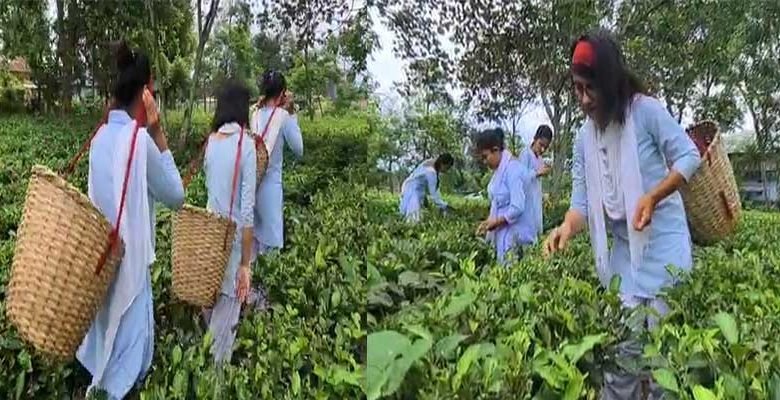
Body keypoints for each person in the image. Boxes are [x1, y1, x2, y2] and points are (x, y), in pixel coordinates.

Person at [543, 29, 701, 399]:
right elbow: (581, 203)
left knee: (665, 364)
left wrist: (653, 197)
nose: (582, 100)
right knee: (621, 360)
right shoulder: (585, 136)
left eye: (589, 89)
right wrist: (566, 227)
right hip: (622, 263)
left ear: (610, 83)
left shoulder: (645, 112)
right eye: (577, 89)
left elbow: (689, 156)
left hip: (663, 254)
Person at [77, 41, 184, 399]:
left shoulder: (101, 137)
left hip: (102, 263)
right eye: (152, 89)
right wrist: (157, 132)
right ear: (145, 93)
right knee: (128, 362)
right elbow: (176, 195)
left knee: (108, 338)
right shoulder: (140, 142)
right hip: (132, 269)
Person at [201, 80, 257, 365]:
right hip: (232, 243)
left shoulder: (211, 141)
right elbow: (247, 213)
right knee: (223, 333)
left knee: (211, 308)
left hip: (207, 237)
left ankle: (202, 369)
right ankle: (213, 382)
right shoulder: (246, 146)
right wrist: (245, 265)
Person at [251, 70, 303, 256]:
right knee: (271, 250)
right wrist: (292, 112)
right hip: (271, 190)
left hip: (252, 187)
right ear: (282, 93)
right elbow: (299, 149)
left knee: (253, 248)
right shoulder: (283, 116)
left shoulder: (255, 114)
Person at [474, 128, 533, 265]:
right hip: (504, 234)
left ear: (496, 150)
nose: (484, 162)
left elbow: (517, 207)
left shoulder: (513, 170)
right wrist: (488, 222)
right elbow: (497, 202)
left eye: (485, 156)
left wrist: (496, 222)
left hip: (516, 235)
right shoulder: (499, 172)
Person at [518, 125, 553, 239]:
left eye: (546, 147)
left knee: (535, 234)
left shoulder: (540, 159)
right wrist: (537, 173)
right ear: (535, 139)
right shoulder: (525, 154)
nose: (542, 149)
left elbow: (537, 183)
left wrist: (544, 195)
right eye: (541, 145)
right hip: (525, 204)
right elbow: (521, 178)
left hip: (535, 203)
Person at [399, 153, 454, 223]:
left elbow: (433, 189)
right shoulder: (431, 172)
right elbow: (434, 196)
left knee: (408, 217)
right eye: (447, 168)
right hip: (412, 191)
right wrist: (445, 206)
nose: (446, 171)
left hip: (410, 186)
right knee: (413, 220)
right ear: (443, 164)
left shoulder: (432, 162)